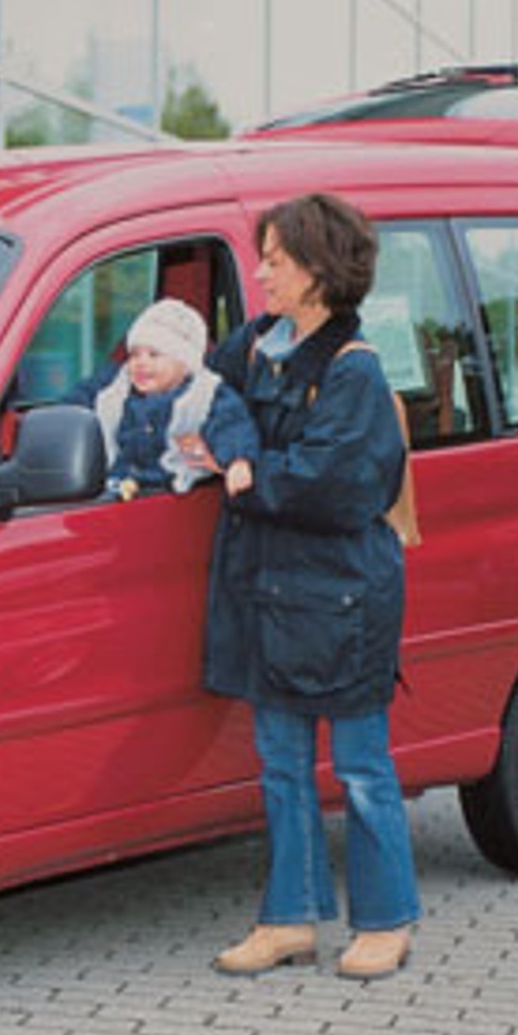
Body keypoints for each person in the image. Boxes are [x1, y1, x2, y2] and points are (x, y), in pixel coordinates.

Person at [193, 192, 419, 980]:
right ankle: (288, 920)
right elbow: (209, 400)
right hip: (270, 594)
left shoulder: (355, 374)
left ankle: (387, 921)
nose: (259, 274)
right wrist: (238, 448)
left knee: (361, 768)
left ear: (321, 273)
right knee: (280, 766)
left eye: (275, 262)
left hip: (343, 600)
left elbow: (331, 486)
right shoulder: (256, 345)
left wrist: (246, 476)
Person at [64, 297, 254, 499]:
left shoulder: (205, 395)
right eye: (134, 354)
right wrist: (60, 420)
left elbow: (232, 427)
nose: (141, 363)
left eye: (154, 355)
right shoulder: (116, 386)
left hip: (171, 494)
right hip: (115, 485)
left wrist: (238, 461)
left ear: (184, 363)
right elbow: (78, 402)